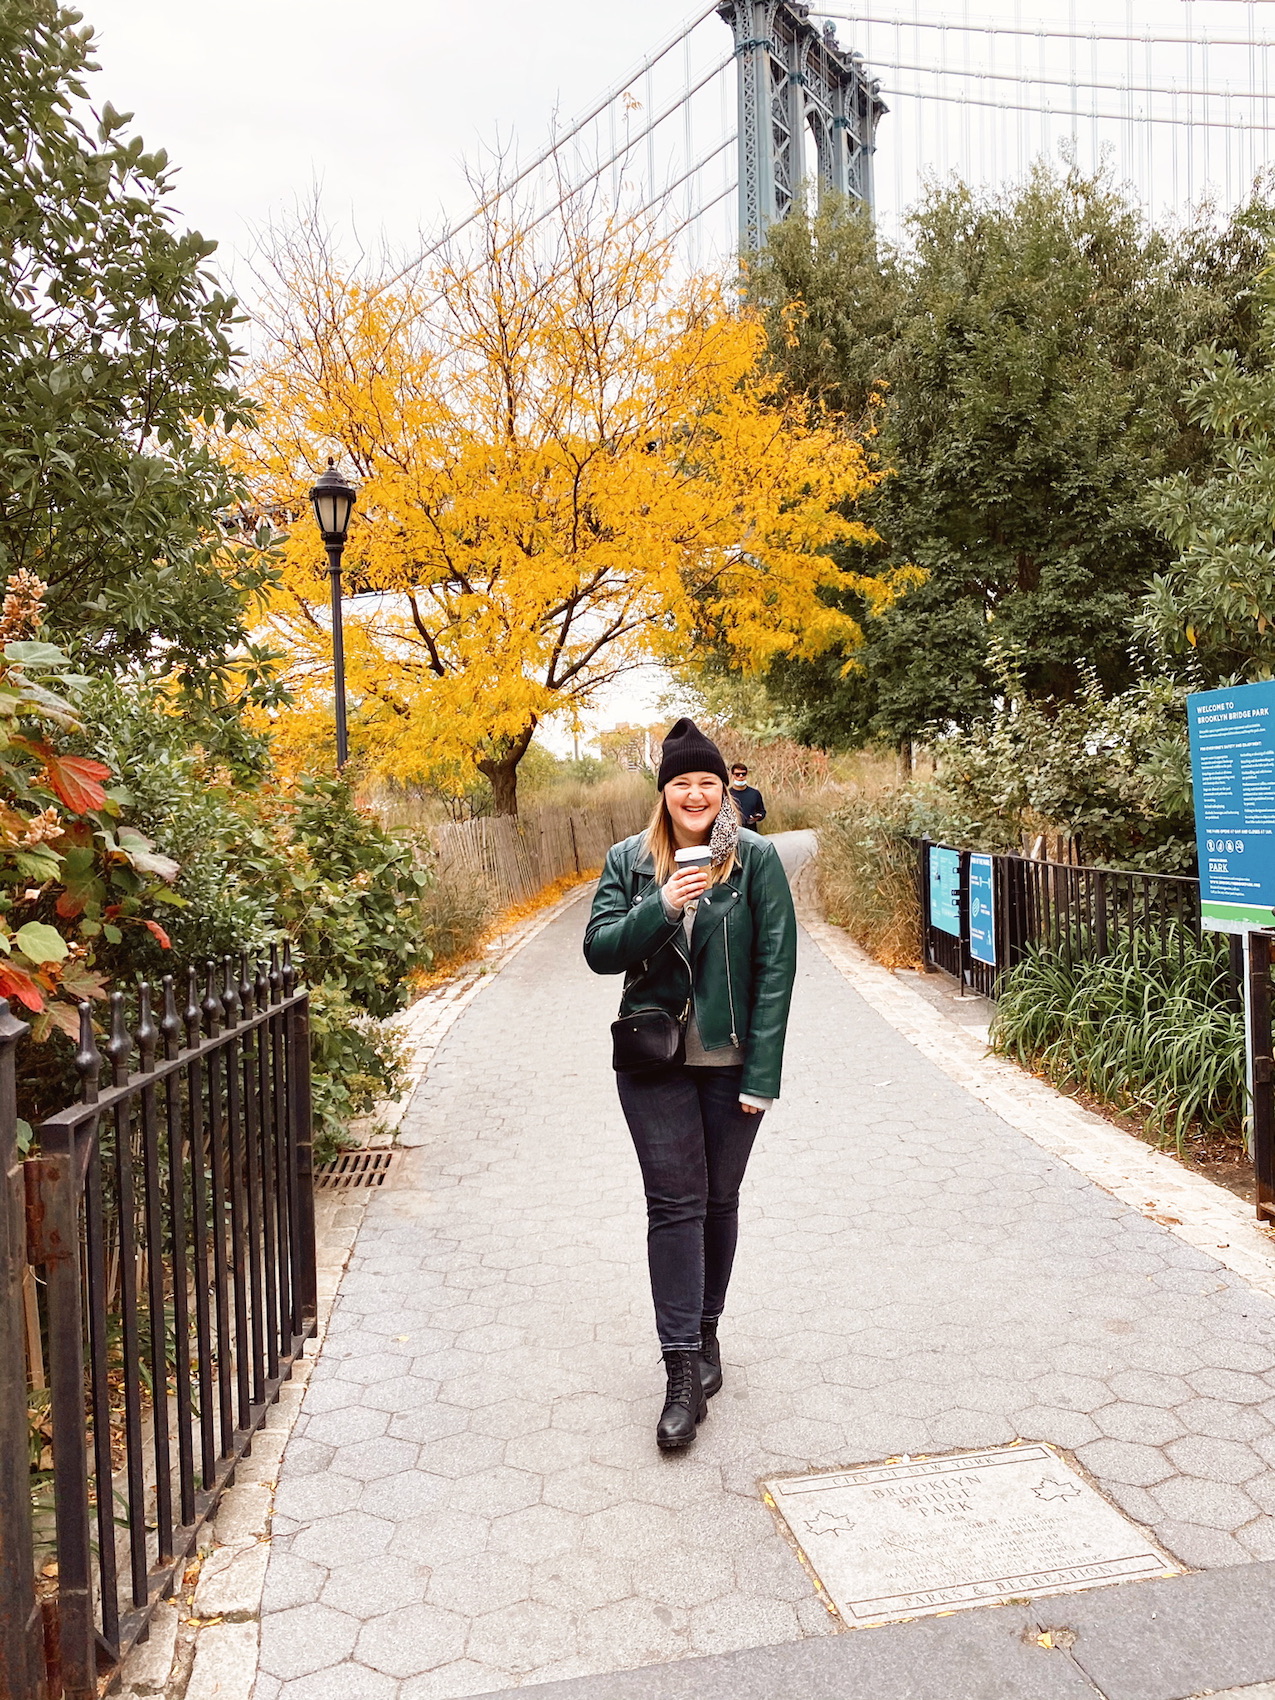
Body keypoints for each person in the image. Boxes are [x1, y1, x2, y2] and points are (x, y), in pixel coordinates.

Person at [583, 718, 797, 1452]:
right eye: (682, 782)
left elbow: (776, 971)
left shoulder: (758, 861)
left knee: (718, 1199)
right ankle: (679, 1371)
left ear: (724, 789)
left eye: (708, 781)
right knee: (673, 1205)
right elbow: (599, 953)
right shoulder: (627, 860)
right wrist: (662, 904)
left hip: (732, 1063)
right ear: (664, 793)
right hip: (652, 1062)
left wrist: (762, 1075)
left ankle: (706, 1335)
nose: (696, 792)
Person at [728, 763, 767, 829]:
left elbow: (762, 811)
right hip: (733, 831)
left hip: (751, 831)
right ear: (732, 776)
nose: (740, 776)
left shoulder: (755, 793)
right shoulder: (728, 794)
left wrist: (758, 817)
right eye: (737, 774)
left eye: (743, 774)